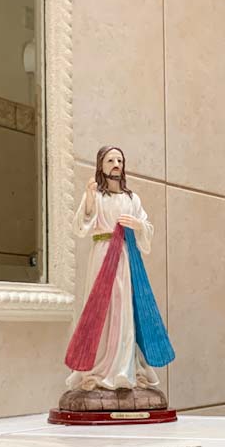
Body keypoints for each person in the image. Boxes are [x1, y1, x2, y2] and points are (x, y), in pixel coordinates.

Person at [64, 146, 174, 390]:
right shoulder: (96, 195)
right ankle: (98, 366)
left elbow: (146, 227)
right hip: (103, 254)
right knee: (101, 307)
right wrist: (89, 200)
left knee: (124, 308)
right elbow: (81, 226)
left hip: (125, 256)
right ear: (101, 165)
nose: (116, 164)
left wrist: (137, 225)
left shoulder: (132, 199)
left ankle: (124, 367)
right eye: (110, 160)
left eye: (119, 160)